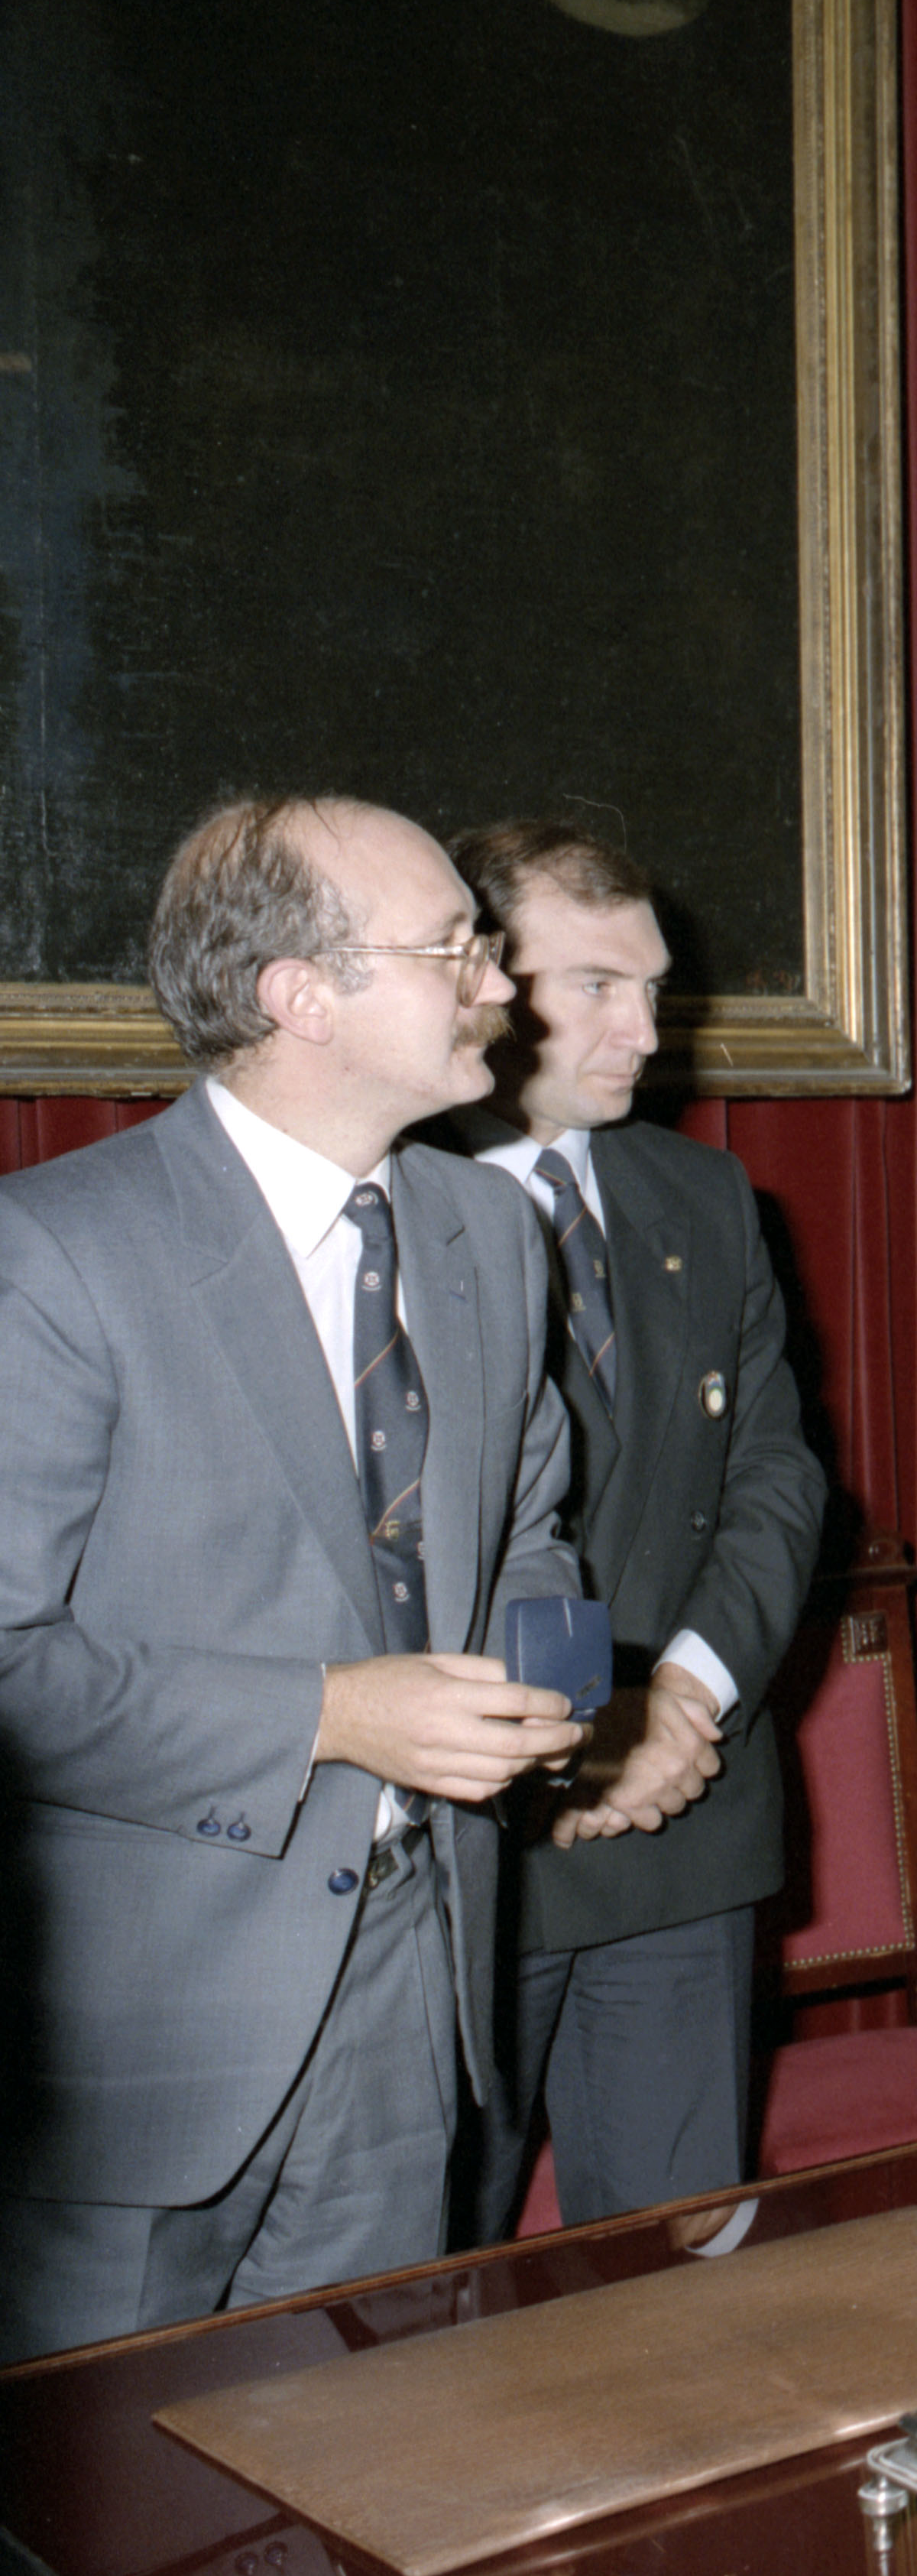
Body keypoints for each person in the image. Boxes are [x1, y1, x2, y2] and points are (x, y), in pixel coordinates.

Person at [0, 796, 588, 2361]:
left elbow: (531, 1519)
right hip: (138, 2039)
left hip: (412, 1988)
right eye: (453, 947)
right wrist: (333, 1714)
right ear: (297, 994)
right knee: (103, 2487)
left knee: (359, 2460)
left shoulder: (489, 1227)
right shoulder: (57, 1252)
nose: (500, 982)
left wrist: (552, 1694)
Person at [433, 822, 827, 2241]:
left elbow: (777, 1476)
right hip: (468, 1845)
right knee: (430, 2302)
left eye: (652, 989)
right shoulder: (384, 1198)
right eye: (597, 985)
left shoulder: (703, 1196)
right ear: (479, 978)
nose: (646, 1033)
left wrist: (682, 1700)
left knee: (672, 2297)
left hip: (678, 1819)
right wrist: (579, 1738)